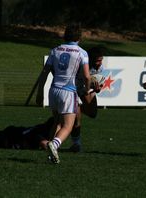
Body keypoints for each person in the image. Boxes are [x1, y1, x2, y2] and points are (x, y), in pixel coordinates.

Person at [36, 24, 91, 164]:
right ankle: (53, 145)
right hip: (68, 91)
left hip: (53, 91)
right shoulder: (81, 52)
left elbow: (44, 73)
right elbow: (87, 76)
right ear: (80, 37)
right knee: (68, 126)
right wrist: (87, 89)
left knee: (58, 122)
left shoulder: (55, 50)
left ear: (65, 35)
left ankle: (51, 155)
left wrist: (40, 93)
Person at [69, 47, 105, 152]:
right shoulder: (81, 64)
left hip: (85, 90)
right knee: (76, 119)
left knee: (93, 113)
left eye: (101, 60)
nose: (100, 63)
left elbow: (98, 83)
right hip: (73, 89)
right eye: (98, 60)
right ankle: (76, 143)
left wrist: (97, 88)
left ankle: (73, 110)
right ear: (91, 59)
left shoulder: (100, 68)